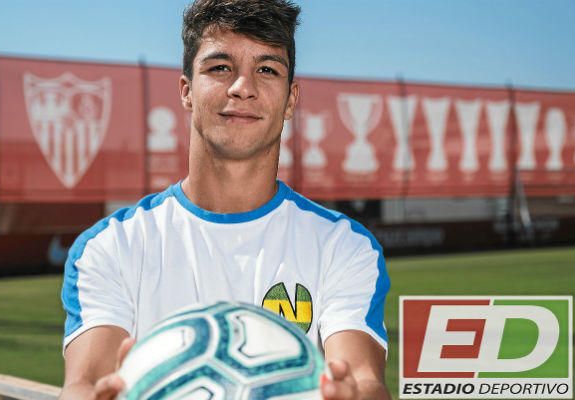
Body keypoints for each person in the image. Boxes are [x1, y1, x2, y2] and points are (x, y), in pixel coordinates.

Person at [60, 1, 391, 399]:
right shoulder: (113, 246)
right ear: (187, 91)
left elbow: (364, 381)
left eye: (267, 70)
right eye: (220, 68)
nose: (242, 88)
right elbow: (85, 384)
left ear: (290, 100)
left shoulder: (343, 246)